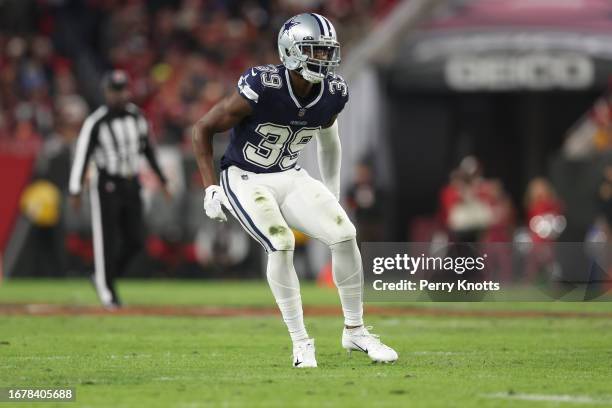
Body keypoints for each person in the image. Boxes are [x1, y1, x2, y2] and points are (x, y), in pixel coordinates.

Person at [192, 13, 397, 368]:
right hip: (245, 176)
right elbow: (202, 128)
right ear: (291, 51)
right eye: (314, 50)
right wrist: (210, 188)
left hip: (289, 173)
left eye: (326, 51)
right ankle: (301, 342)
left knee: (345, 234)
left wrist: (330, 190)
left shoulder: (333, 92)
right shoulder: (264, 85)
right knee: (281, 242)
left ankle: (355, 330)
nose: (323, 58)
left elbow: (329, 141)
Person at [68, 70, 170, 308]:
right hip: (107, 184)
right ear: (106, 93)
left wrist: (163, 180)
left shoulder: (137, 117)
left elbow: (149, 150)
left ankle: (102, 277)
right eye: (115, 91)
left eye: (123, 89)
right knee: (106, 239)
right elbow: (82, 156)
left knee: (135, 240)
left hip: (132, 182)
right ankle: (107, 293)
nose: (120, 95)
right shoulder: (96, 121)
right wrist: (75, 190)